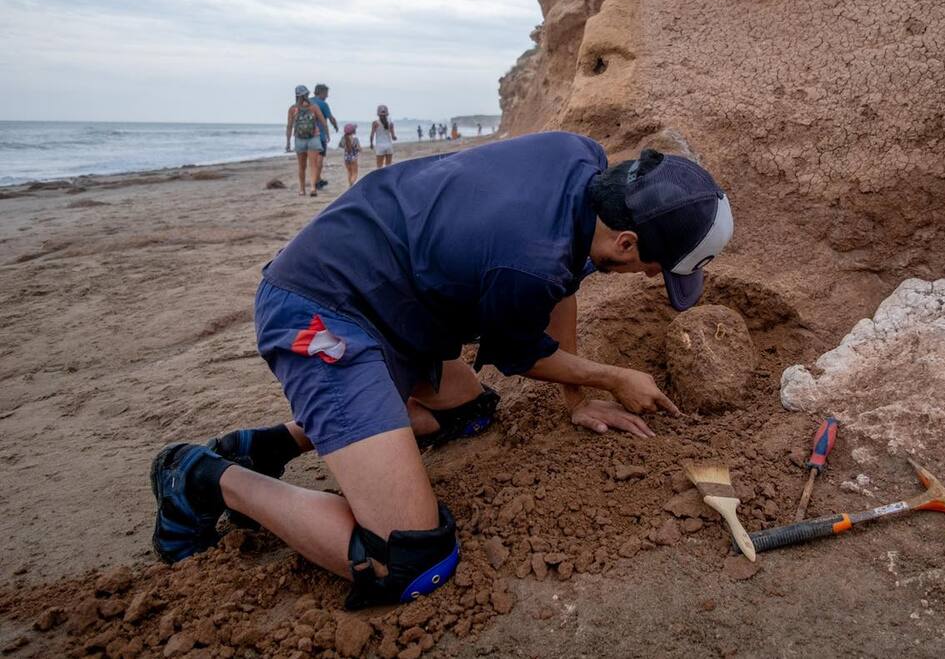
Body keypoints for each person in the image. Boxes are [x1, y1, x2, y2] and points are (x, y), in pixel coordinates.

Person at [148, 132, 734, 611]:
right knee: (407, 561)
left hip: (395, 307)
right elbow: (523, 355)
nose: (655, 281)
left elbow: (566, 280)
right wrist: (613, 377)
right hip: (320, 309)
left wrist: (575, 399)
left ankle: (274, 442)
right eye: (657, 269)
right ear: (628, 243)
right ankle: (203, 476)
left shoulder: (579, 161)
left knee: (468, 414)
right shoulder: (526, 261)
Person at [285, 85, 329, 197]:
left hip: (299, 139)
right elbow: (323, 121)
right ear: (307, 94)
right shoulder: (313, 107)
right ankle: (313, 188)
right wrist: (327, 134)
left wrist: (288, 142)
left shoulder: (292, 109)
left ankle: (301, 189)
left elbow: (289, 126)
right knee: (313, 165)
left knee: (301, 166)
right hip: (313, 138)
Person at [310, 84, 338, 190]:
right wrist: (335, 126)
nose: (327, 96)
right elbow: (331, 118)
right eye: (326, 93)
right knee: (319, 159)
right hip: (319, 135)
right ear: (321, 92)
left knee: (312, 160)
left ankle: (317, 179)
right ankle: (316, 181)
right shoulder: (323, 104)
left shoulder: (307, 102)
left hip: (306, 135)